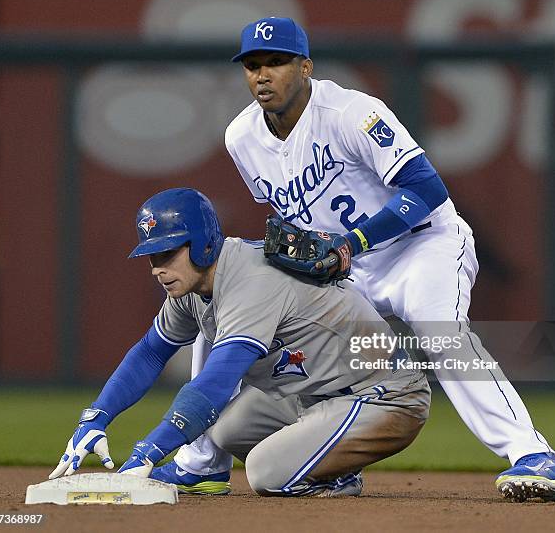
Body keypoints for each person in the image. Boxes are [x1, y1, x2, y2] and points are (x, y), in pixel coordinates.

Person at [177, 17, 555, 503]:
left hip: (421, 246)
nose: (263, 74)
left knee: (439, 332)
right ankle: (205, 463)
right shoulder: (241, 137)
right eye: (254, 65)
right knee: (227, 307)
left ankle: (533, 456)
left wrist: (352, 243)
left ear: (305, 67)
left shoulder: (351, 112)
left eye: (277, 62)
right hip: (349, 269)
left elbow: (427, 188)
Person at [50, 187, 431, 497]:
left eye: (168, 252)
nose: (158, 268)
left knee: (265, 473)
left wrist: (148, 451)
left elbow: (215, 383)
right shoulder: (190, 288)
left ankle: (335, 476)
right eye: (151, 257)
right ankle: (326, 461)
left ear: (201, 243)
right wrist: (95, 417)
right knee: (227, 432)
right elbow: (150, 352)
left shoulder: (249, 279)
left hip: (385, 393)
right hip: (316, 392)